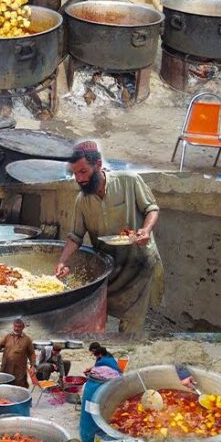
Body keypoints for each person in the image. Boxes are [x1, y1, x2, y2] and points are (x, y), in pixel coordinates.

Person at [56, 141, 163, 337]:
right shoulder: (82, 201)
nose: (79, 179)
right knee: (97, 312)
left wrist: (145, 230)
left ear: (97, 165)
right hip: (110, 267)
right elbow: (75, 236)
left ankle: (126, 353)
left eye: (83, 171)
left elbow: (152, 208)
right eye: (74, 174)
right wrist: (62, 261)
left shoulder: (129, 181)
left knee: (132, 321)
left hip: (138, 264)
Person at [0, 319, 35, 389]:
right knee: (5, 385)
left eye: (19, 327)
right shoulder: (7, 337)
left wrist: (32, 366)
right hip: (6, 367)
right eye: (15, 326)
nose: (16, 328)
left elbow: (31, 353)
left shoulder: (27, 339)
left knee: (19, 388)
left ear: (23, 327)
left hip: (19, 369)